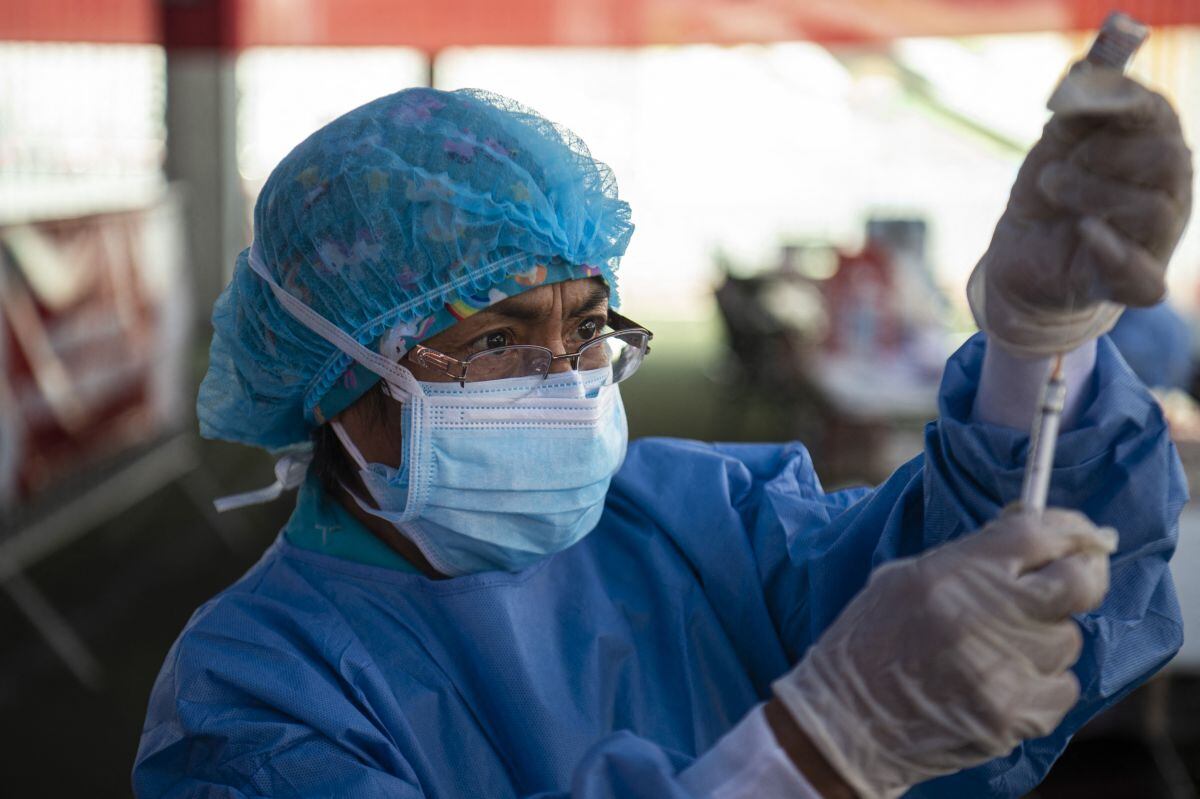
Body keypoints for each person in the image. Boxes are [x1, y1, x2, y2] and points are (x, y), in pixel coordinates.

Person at [134, 81, 1190, 798]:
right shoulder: (256, 696)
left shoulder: (687, 522)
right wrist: (808, 756)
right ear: (338, 380)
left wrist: (1038, 348)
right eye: (495, 339)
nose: (563, 381)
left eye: (588, 327)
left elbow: (976, 577)